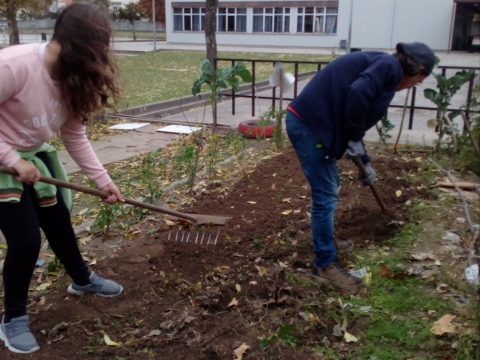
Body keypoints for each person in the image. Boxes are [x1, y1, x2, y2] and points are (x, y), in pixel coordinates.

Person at [0, 3, 125, 353]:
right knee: (25, 241)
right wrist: (10, 158)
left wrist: (103, 181)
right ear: (82, 45)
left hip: (30, 160)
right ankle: (13, 319)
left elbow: (74, 136)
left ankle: (82, 281)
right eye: (99, 49)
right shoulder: (14, 65)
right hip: (2, 166)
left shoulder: (73, 77)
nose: (102, 59)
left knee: (57, 221)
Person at [286, 42, 435, 291]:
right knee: (325, 196)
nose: (412, 86)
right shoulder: (389, 66)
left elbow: (354, 108)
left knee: (331, 184)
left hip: (318, 126)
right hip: (310, 126)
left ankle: (326, 243)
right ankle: (324, 266)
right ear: (417, 69)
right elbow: (358, 93)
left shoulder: (384, 66)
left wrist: (364, 161)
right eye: (418, 81)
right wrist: (355, 138)